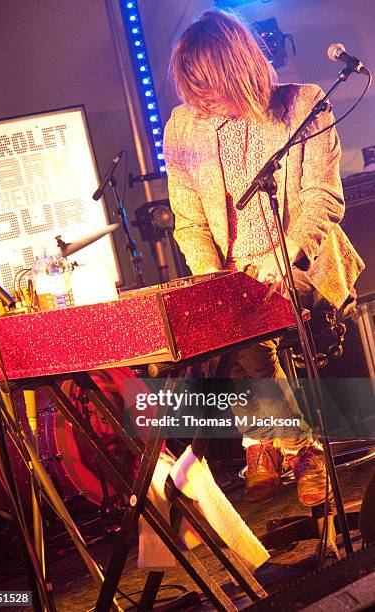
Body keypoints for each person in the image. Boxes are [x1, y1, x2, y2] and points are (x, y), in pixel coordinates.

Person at [163, 11, 364, 510]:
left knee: (252, 321)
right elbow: (188, 221)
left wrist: (284, 253)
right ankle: (294, 446)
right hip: (234, 275)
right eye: (196, 93)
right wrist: (211, 277)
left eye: (212, 89)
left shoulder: (303, 104)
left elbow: (323, 197)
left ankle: (269, 445)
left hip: (303, 264)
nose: (205, 102)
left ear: (239, 68)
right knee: (227, 321)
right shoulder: (183, 127)